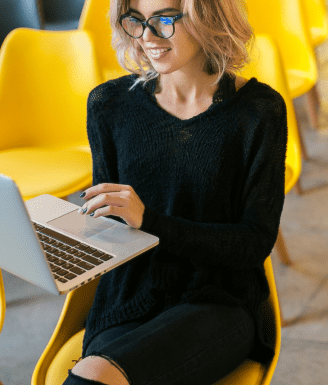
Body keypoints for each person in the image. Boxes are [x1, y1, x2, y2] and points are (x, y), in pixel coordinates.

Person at [63, 0, 288, 383]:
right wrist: (67, 240)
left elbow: (254, 243)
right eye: (135, 20)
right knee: (91, 375)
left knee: (96, 375)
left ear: (209, 17)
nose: (147, 37)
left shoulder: (259, 112)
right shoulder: (108, 105)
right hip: (129, 296)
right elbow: (113, 223)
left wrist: (150, 221)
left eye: (164, 19)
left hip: (219, 301)